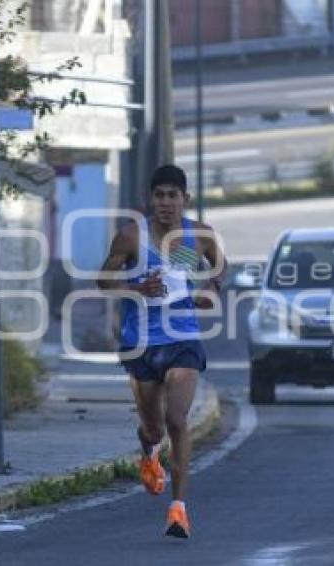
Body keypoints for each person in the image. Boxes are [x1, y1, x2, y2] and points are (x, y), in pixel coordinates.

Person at [97, 165, 226, 539]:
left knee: (178, 420)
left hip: (183, 337)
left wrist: (212, 288)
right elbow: (103, 280)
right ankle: (150, 452)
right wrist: (137, 287)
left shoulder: (198, 236)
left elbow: (218, 267)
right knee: (153, 428)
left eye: (173, 195)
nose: (166, 202)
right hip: (141, 343)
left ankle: (178, 510)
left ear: (186, 199)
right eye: (160, 195)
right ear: (151, 199)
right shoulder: (131, 237)